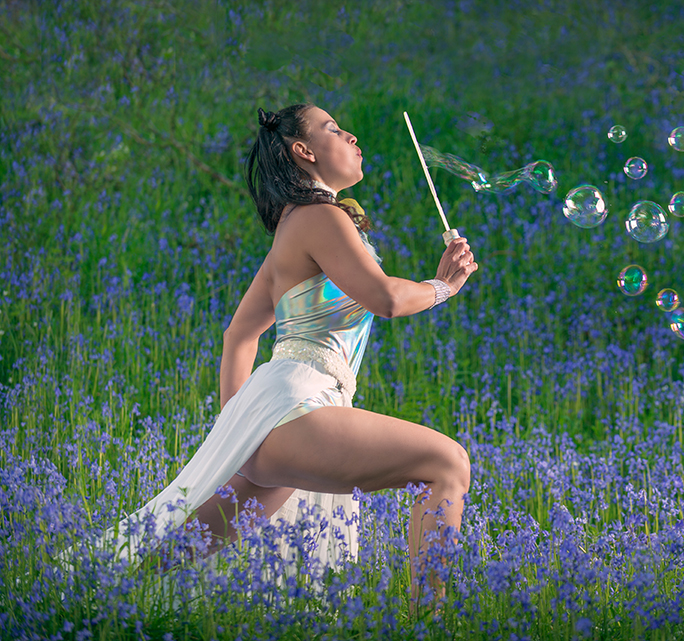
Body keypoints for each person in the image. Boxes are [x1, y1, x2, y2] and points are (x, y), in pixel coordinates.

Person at [106, 103, 478, 612]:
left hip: (278, 411)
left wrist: (239, 425)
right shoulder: (320, 216)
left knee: (178, 549)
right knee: (447, 463)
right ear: (304, 151)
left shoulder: (295, 227)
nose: (351, 136)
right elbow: (387, 299)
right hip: (296, 405)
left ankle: (90, 597)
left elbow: (239, 336)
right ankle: (430, 622)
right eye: (334, 129)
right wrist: (443, 285)